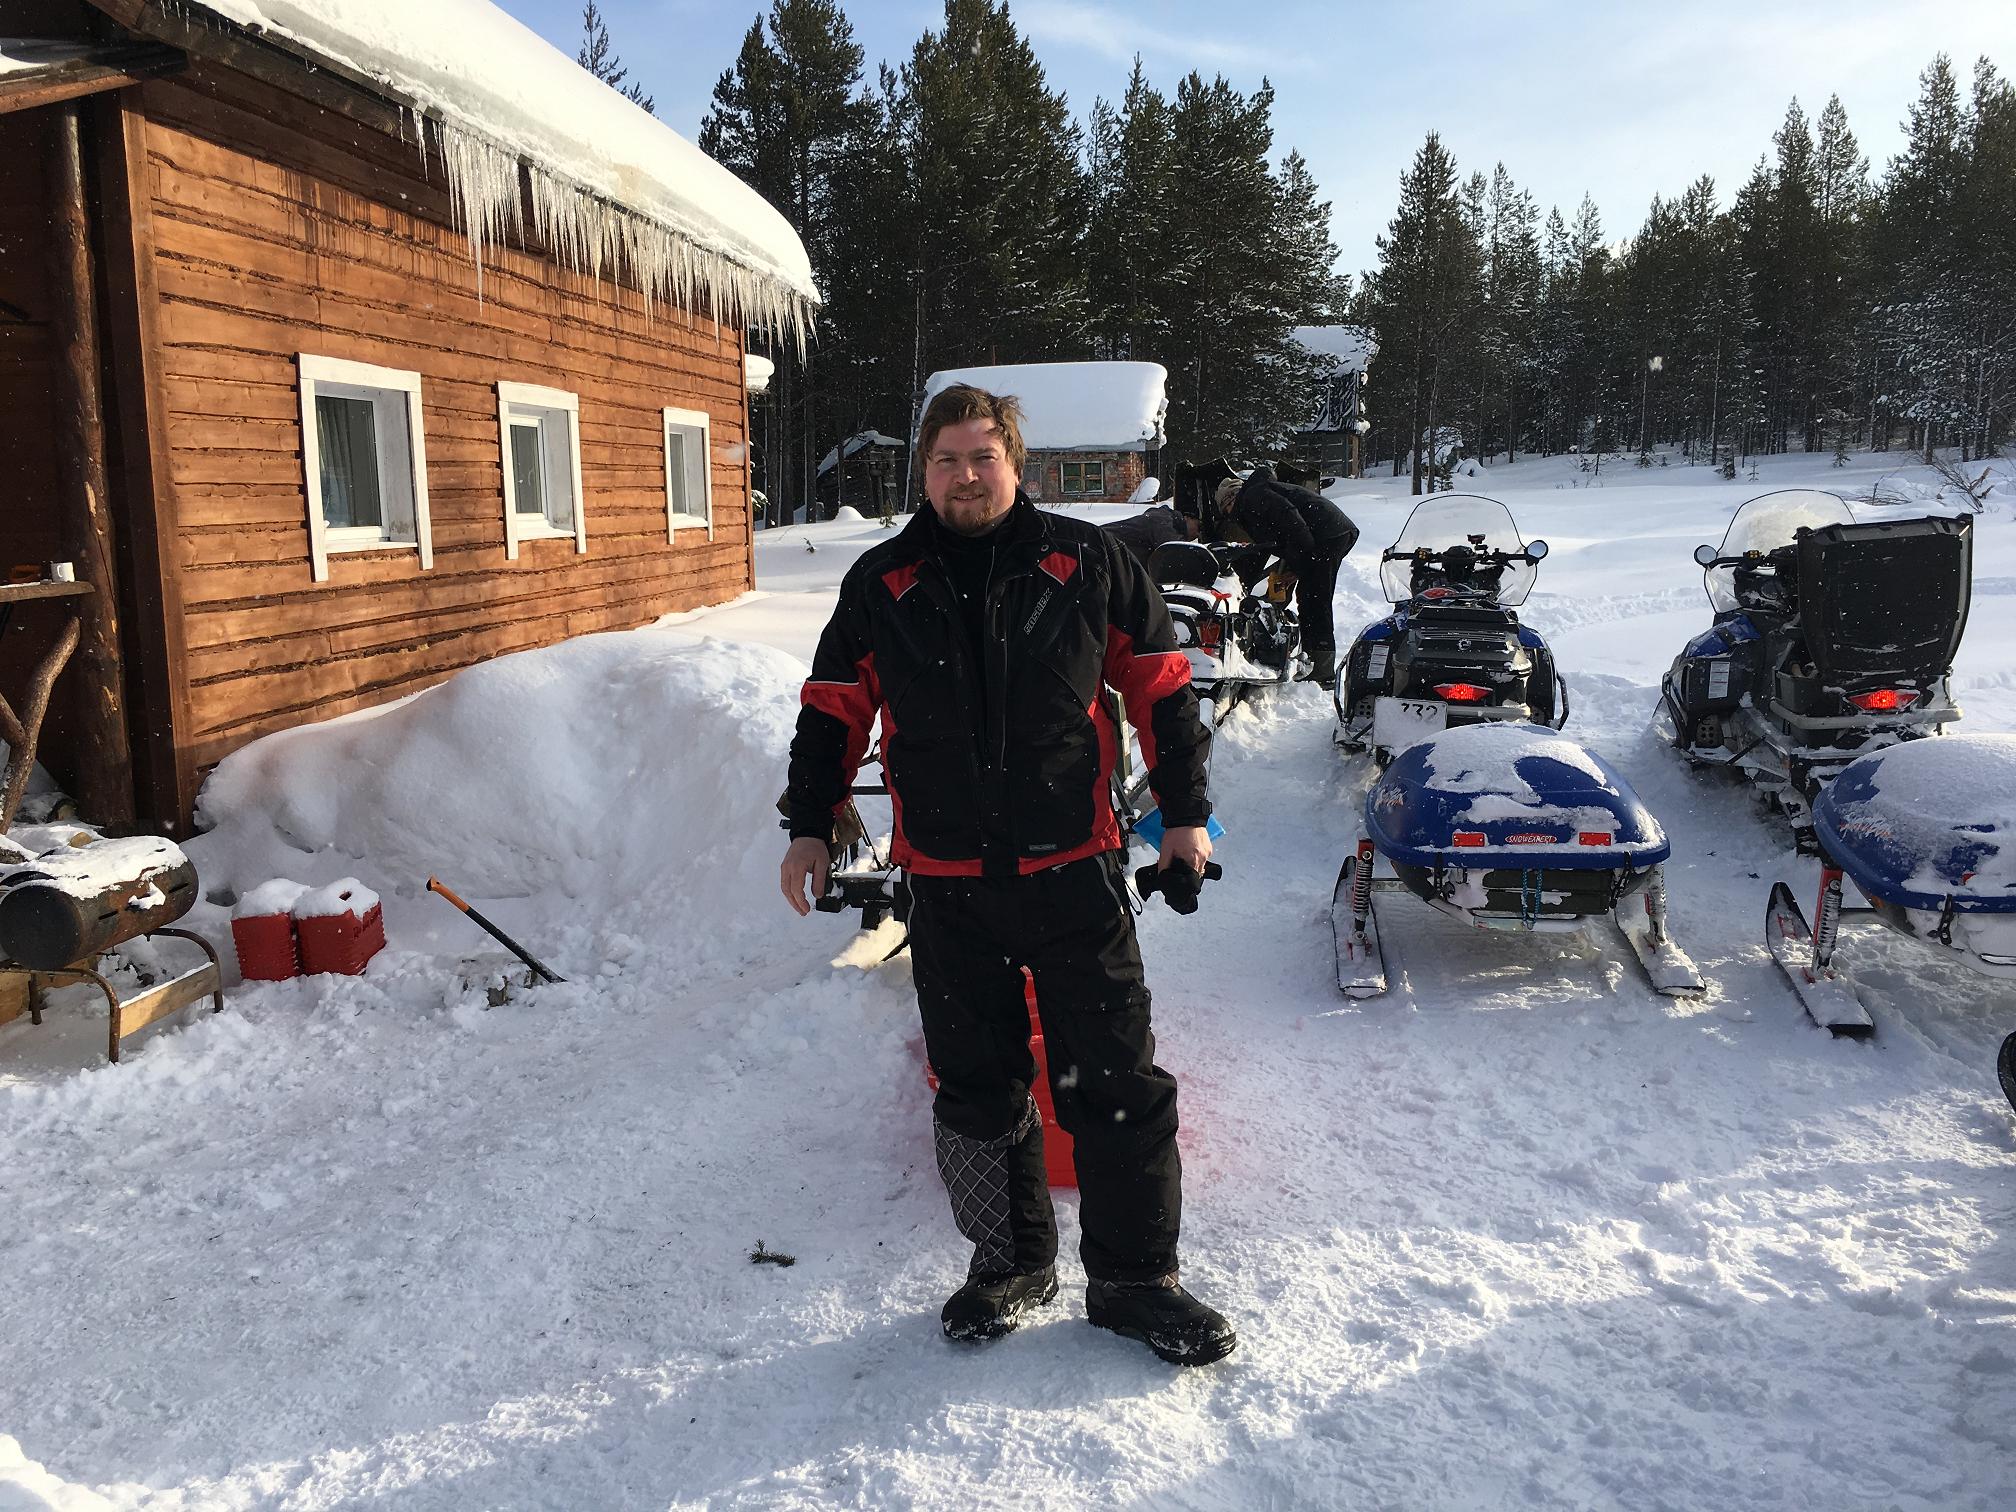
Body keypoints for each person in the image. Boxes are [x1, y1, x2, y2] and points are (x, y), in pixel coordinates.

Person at [780, 384, 1237, 1366]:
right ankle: (1010, 1264)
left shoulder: (1088, 562)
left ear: (1015, 465)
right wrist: (808, 826)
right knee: (976, 1088)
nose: (965, 475)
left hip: (1076, 873)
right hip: (947, 888)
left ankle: (1135, 1282)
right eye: (946, 459)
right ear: (924, 472)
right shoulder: (882, 582)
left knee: (1116, 1081)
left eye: (982, 456)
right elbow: (831, 709)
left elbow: (1162, 688)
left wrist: (1185, 816)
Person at [1173, 460, 1359, 688]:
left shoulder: (1254, 497)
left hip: (1329, 533)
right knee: (1309, 598)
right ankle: (1313, 663)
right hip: (1325, 534)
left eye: (1226, 510)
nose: (1228, 516)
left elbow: (1294, 524)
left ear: (1231, 501)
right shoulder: (1254, 501)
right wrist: (1243, 584)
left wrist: (1299, 567)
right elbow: (1267, 548)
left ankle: (1321, 672)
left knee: (1315, 599)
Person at [1100, 496, 1199, 570]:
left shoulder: (1164, 521)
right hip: (1100, 546)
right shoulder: (1162, 519)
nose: (1197, 534)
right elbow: (1174, 550)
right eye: (1199, 527)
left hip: (1109, 556)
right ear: (1187, 517)